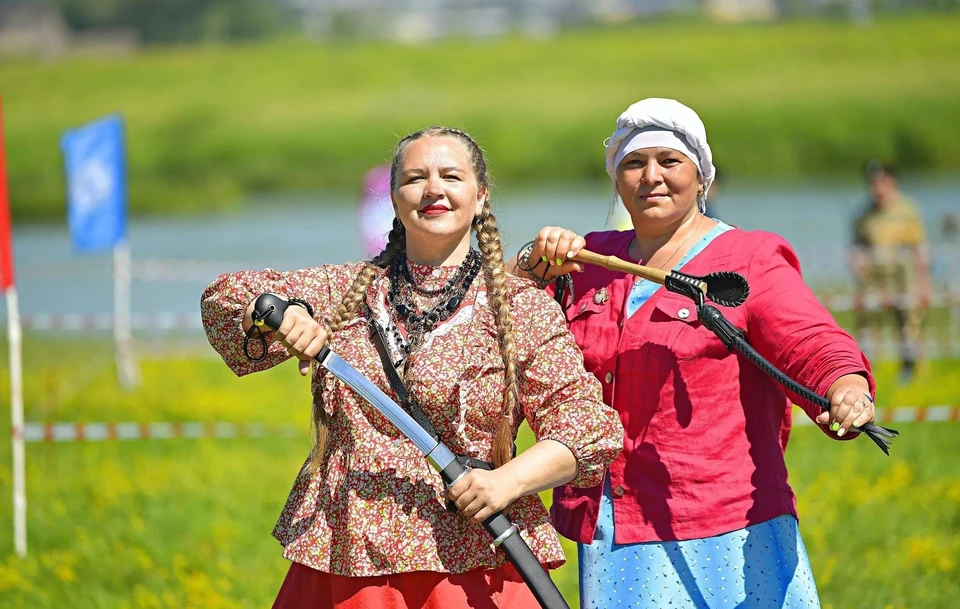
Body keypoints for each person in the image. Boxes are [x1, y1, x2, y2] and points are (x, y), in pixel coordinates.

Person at [201, 125, 623, 608]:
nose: (433, 190)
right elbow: (225, 297)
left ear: (480, 196)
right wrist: (286, 311)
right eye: (415, 178)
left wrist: (507, 482)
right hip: (349, 558)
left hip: (474, 558)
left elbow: (589, 431)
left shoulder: (522, 306)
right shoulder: (347, 289)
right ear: (395, 200)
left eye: (451, 176)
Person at [508, 98, 878, 609]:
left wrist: (845, 385)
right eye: (634, 164)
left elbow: (809, 339)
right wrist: (528, 262)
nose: (651, 177)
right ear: (616, 179)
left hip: (728, 521)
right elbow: (495, 318)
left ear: (701, 176)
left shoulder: (749, 257)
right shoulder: (589, 260)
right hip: (616, 527)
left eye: (669, 162)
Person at [849, 160, 931, 383]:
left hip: (904, 277)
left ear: (892, 181)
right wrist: (858, 267)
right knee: (868, 325)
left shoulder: (908, 209)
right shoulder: (863, 216)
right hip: (875, 279)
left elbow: (920, 249)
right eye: (873, 183)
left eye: (882, 181)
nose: (878, 188)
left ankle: (912, 375)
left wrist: (924, 284)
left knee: (909, 326)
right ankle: (867, 374)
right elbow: (856, 249)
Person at [358, 163, 395, 258]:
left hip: (374, 217)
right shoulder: (374, 174)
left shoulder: (372, 174)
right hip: (379, 217)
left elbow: (362, 201)